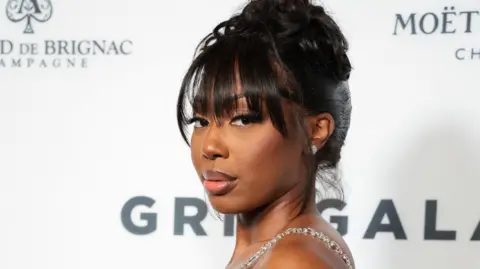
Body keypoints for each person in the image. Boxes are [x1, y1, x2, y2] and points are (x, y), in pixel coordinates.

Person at [176, 0, 354, 268]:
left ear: (316, 130)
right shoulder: (274, 250)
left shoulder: (293, 260)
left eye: (243, 119)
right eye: (201, 121)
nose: (210, 146)